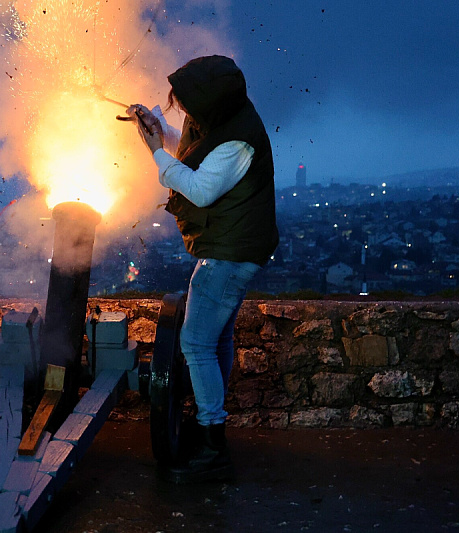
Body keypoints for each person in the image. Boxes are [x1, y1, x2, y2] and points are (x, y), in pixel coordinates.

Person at [127, 55, 279, 483]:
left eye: (190, 106)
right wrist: (161, 132)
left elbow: (200, 188)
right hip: (233, 245)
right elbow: (199, 152)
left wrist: (156, 153)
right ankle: (208, 421)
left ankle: (213, 443)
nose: (186, 112)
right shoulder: (227, 119)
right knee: (218, 337)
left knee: (195, 344)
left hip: (229, 254)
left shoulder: (238, 142)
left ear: (209, 103)